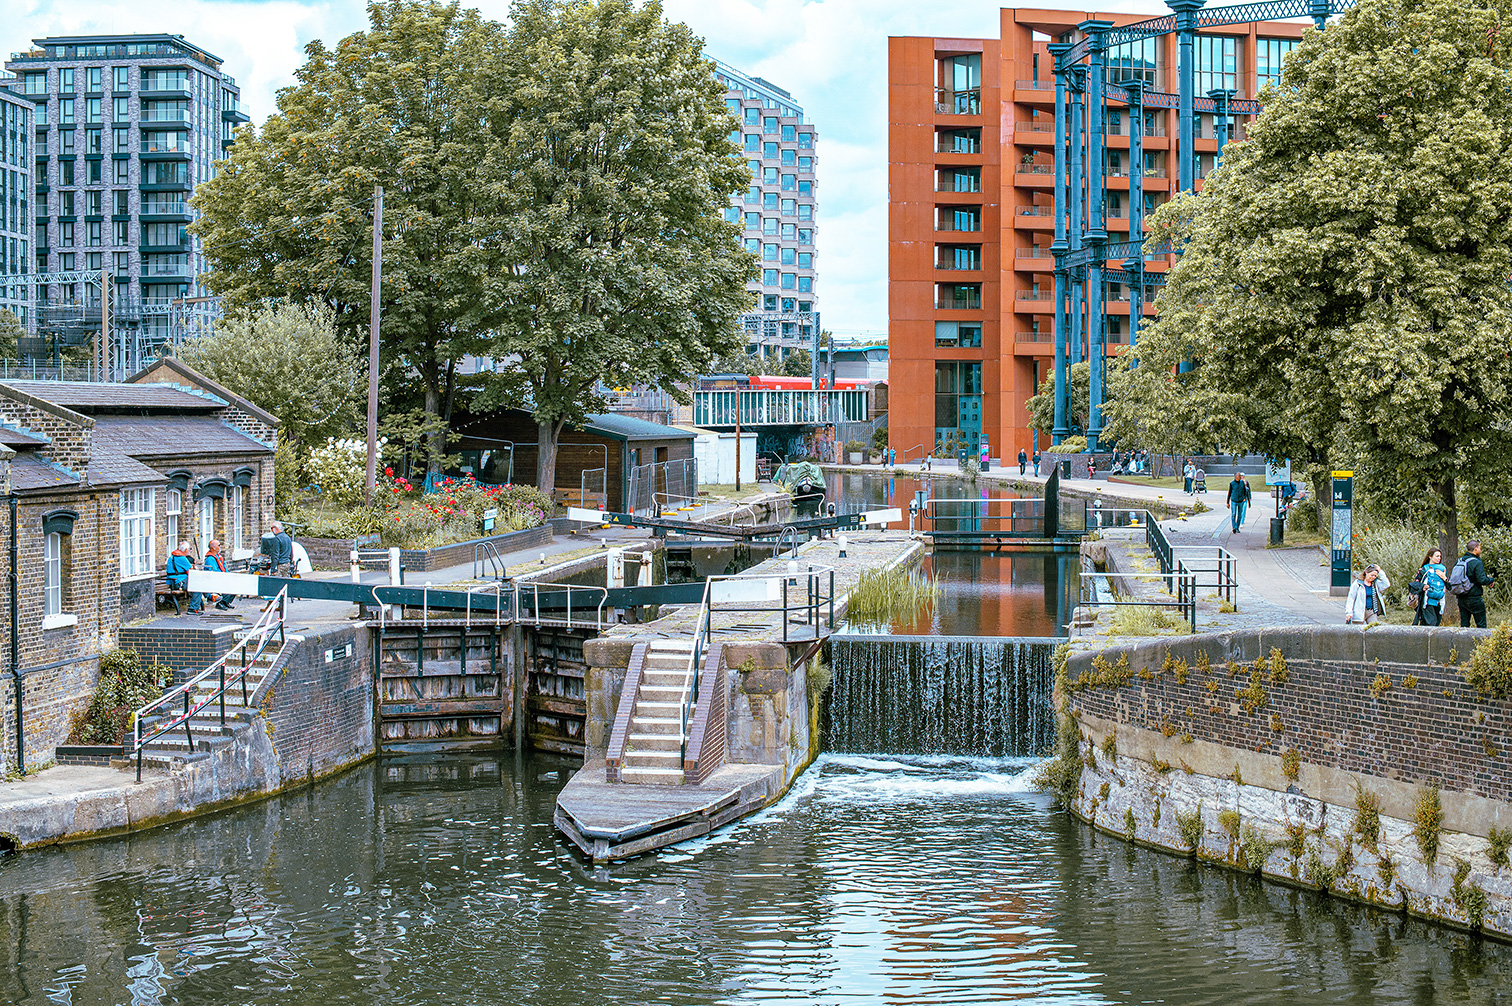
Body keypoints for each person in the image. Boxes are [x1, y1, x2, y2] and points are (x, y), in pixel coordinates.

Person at [1456, 540, 1496, 628]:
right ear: (1476, 549)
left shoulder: (1459, 561)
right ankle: (1481, 642)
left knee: (1464, 625)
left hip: (1461, 597)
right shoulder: (1477, 563)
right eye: (1479, 548)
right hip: (1474, 597)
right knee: (1481, 625)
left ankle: (1463, 641)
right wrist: (1490, 580)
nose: (1480, 551)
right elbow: (1481, 579)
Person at [189, 540, 233, 613]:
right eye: (218, 545)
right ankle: (221, 603)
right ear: (213, 548)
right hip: (214, 578)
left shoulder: (219, 557)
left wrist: (228, 575)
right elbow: (213, 572)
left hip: (222, 577)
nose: (220, 547)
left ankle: (226, 602)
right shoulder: (210, 559)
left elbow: (224, 568)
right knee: (230, 586)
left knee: (234, 584)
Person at [1412, 548, 1447, 627]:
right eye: (1437, 556)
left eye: (1440, 556)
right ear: (1430, 557)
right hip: (1427, 601)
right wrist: (1423, 586)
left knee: (1436, 623)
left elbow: (1449, 586)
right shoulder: (1424, 569)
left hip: (1439, 601)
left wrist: (1444, 578)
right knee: (1430, 623)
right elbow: (1415, 584)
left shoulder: (1442, 569)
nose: (1439, 558)